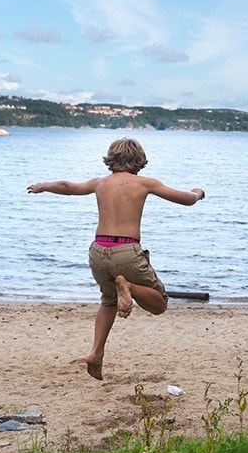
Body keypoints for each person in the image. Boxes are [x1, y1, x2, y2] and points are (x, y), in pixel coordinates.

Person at [27, 137, 205, 380]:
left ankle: (96, 352)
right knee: (159, 303)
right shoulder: (145, 183)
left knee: (108, 300)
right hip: (126, 250)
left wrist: (44, 186)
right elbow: (186, 199)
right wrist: (197, 193)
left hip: (98, 251)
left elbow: (67, 187)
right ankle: (129, 286)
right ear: (140, 161)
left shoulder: (100, 183)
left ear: (111, 159)